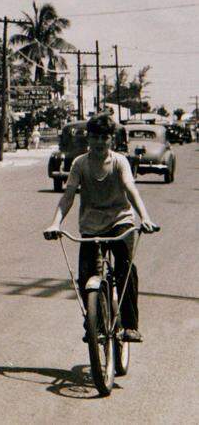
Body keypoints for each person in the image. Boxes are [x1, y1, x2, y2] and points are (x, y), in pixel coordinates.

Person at [44, 114, 158, 342]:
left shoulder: (120, 161)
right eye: (95, 137)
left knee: (125, 267)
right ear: (89, 138)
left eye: (104, 138)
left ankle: (130, 325)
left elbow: (130, 189)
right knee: (87, 274)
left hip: (120, 221)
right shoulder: (80, 163)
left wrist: (145, 217)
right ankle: (93, 323)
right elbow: (68, 196)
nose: (99, 142)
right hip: (91, 224)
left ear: (111, 140)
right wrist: (55, 222)